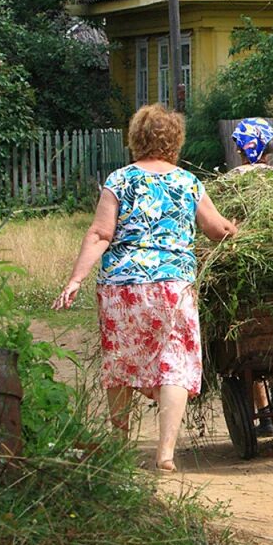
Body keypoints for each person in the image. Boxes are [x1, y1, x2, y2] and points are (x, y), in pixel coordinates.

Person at [53, 104, 237, 472]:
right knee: (175, 364)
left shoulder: (119, 180)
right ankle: (165, 453)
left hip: (123, 288)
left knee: (121, 362)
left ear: (135, 138)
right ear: (176, 141)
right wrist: (235, 228)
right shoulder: (188, 183)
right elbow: (216, 230)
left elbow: (100, 234)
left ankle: (120, 443)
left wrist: (75, 280)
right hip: (172, 285)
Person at [229, 117, 273, 436]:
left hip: (247, 268)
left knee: (248, 332)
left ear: (244, 148)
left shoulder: (234, 178)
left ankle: (265, 411)